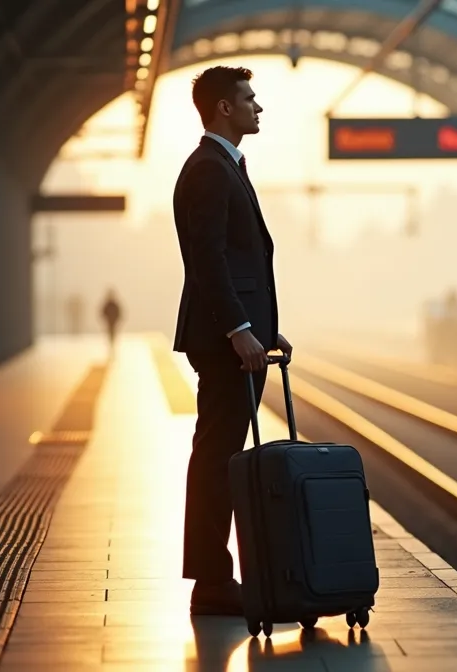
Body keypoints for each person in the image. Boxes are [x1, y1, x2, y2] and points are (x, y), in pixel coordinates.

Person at [171, 65, 292, 617]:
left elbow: (237, 262)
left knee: (221, 453)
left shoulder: (224, 167)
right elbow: (208, 259)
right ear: (223, 108)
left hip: (237, 335)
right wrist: (238, 329)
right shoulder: (210, 171)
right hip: (225, 343)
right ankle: (213, 582)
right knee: (218, 456)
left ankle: (215, 577)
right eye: (249, 98)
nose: (257, 108)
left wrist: (263, 327)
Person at [99, 290, 122, 354]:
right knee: (110, 335)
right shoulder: (108, 304)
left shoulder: (114, 304)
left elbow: (119, 313)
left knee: (113, 335)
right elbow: (103, 313)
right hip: (109, 322)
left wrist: (117, 320)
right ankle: (111, 347)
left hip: (113, 322)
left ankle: (112, 347)